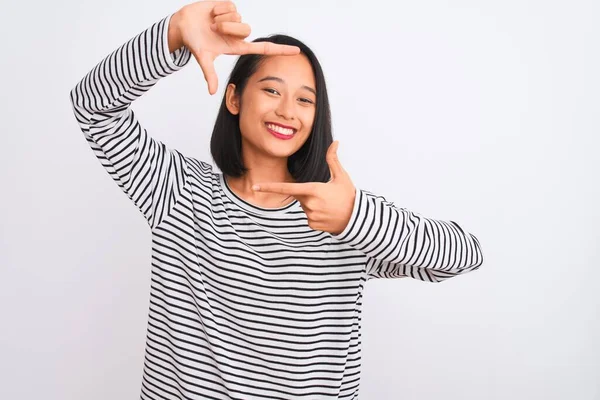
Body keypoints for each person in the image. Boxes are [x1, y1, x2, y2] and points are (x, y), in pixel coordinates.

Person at [69, 1, 484, 399]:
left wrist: (354, 216)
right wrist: (174, 33)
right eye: (272, 90)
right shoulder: (176, 191)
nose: (288, 110)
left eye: (305, 99)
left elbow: (463, 256)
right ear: (234, 98)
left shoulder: (338, 213)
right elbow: (92, 107)